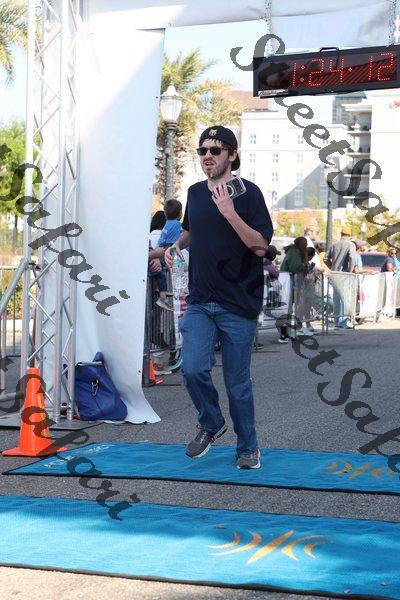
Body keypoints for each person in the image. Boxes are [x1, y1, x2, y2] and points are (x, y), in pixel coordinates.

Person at [165, 125, 273, 470]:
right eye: (202, 150)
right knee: (193, 369)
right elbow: (190, 229)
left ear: (232, 155)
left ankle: (248, 448)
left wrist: (229, 211)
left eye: (215, 150)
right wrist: (175, 246)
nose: (207, 156)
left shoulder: (249, 194)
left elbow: (260, 246)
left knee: (237, 384)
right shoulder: (196, 193)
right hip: (200, 300)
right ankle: (211, 422)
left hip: (238, 303)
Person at [325, 226, 357, 329]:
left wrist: (332, 267)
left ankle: (336, 322)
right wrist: (350, 270)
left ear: (341, 234)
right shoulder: (351, 245)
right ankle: (342, 322)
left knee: (336, 299)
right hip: (345, 274)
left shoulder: (334, 245)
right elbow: (352, 257)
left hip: (335, 274)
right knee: (345, 299)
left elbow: (325, 259)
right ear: (349, 235)